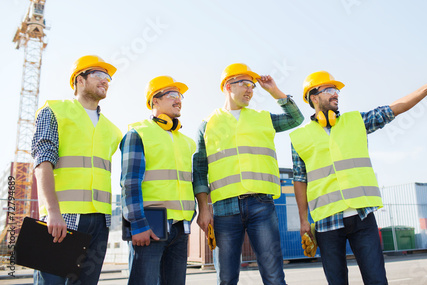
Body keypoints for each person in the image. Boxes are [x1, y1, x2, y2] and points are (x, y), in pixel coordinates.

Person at [289, 69, 427, 285]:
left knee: (377, 280)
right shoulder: (299, 138)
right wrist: (304, 221)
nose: (336, 94)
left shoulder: (356, 121)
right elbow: (300, 180)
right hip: (326, 222)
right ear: (313, 97)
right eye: (329, 89)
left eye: (337, 90)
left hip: (362, 216)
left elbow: (394, 109)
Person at [194, 63, 304, 285]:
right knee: (226, 278)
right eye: (244, 84)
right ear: (227, 86)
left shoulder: (263, 118)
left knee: (274, 275)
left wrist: (274, 91)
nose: (250, 90)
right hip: (224, 209)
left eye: (252, 86)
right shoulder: (207, 124)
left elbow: (296, 119)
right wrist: (203, 210)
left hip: (261, 204)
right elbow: (199, 171)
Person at [31, 55, 122, 284]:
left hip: (100, 222)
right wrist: (52, 211)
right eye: (99, 75)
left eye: (108, 77)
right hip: (63, 216)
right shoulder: (54, 111)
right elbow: (43, 162)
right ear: (79, 79)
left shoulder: (112, 131)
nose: (106, 81)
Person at [121, 76, 196, 285]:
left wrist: (189, 217)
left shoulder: (187, 143)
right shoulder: (138, 134)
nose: (178, 100)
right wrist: (137, 224)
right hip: (149, 227)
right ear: (155, 100)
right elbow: (129, 182)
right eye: (172, 94)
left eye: (180, 95)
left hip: (180, 229)